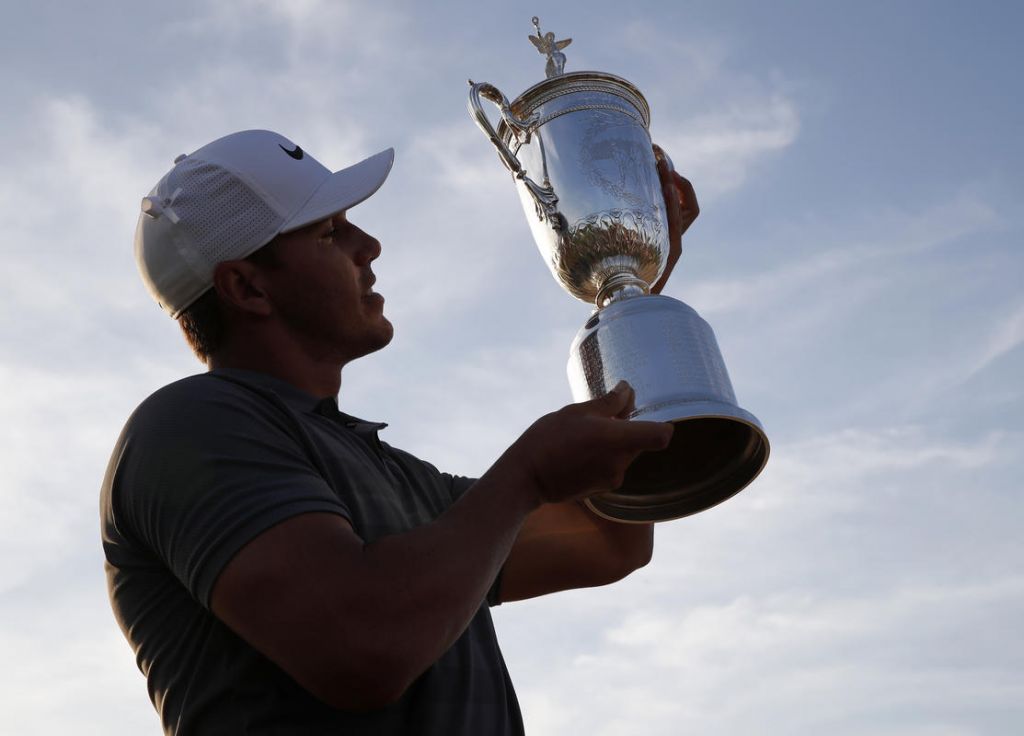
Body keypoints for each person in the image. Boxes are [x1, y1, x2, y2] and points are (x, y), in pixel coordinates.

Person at [101, 129, 699, 735]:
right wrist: (525, 478)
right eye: (331, 232)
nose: (370, 245)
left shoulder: (399, 479)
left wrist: (627, 299)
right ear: (247, 287)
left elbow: (609, 540)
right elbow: (362, 646)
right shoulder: (189, 425)